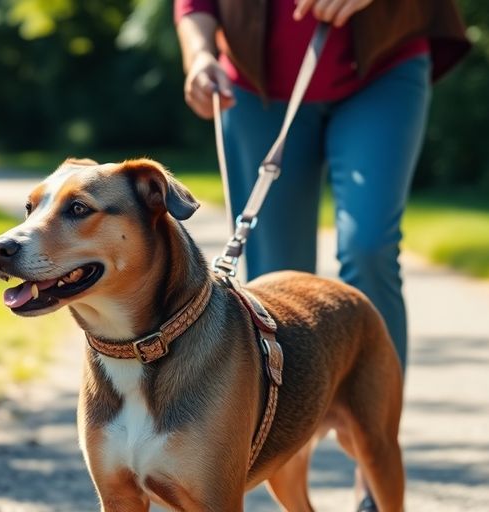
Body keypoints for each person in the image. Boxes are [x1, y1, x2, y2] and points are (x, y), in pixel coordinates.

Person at [174, 0, 469, 508]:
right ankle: (289, 479)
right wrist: (199, 55)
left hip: (382, 66)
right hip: (253, 83)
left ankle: (374, 457)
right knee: (274, 286)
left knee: (370, 248)